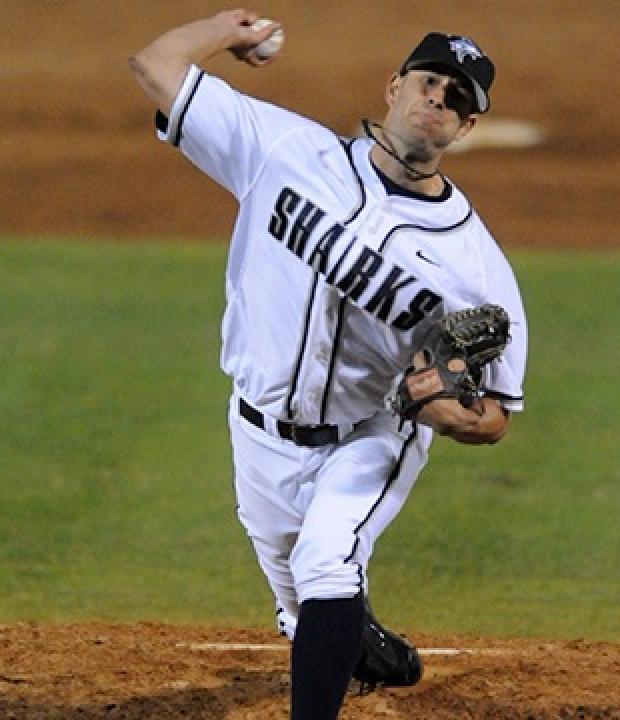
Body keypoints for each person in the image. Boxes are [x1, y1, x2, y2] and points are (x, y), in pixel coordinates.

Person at [129, 10, 528, 719]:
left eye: (457, 98)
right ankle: (360, 640)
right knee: (303, 609)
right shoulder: (283, 149)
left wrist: (445, 412)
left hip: (370, 435)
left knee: (327, 565)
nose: (438, 99)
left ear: (466, 127)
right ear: (395, 86)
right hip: (256, 428)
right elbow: (156, 66)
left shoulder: (476, 266)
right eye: (429, 82)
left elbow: (495, 417)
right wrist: (227, 28)